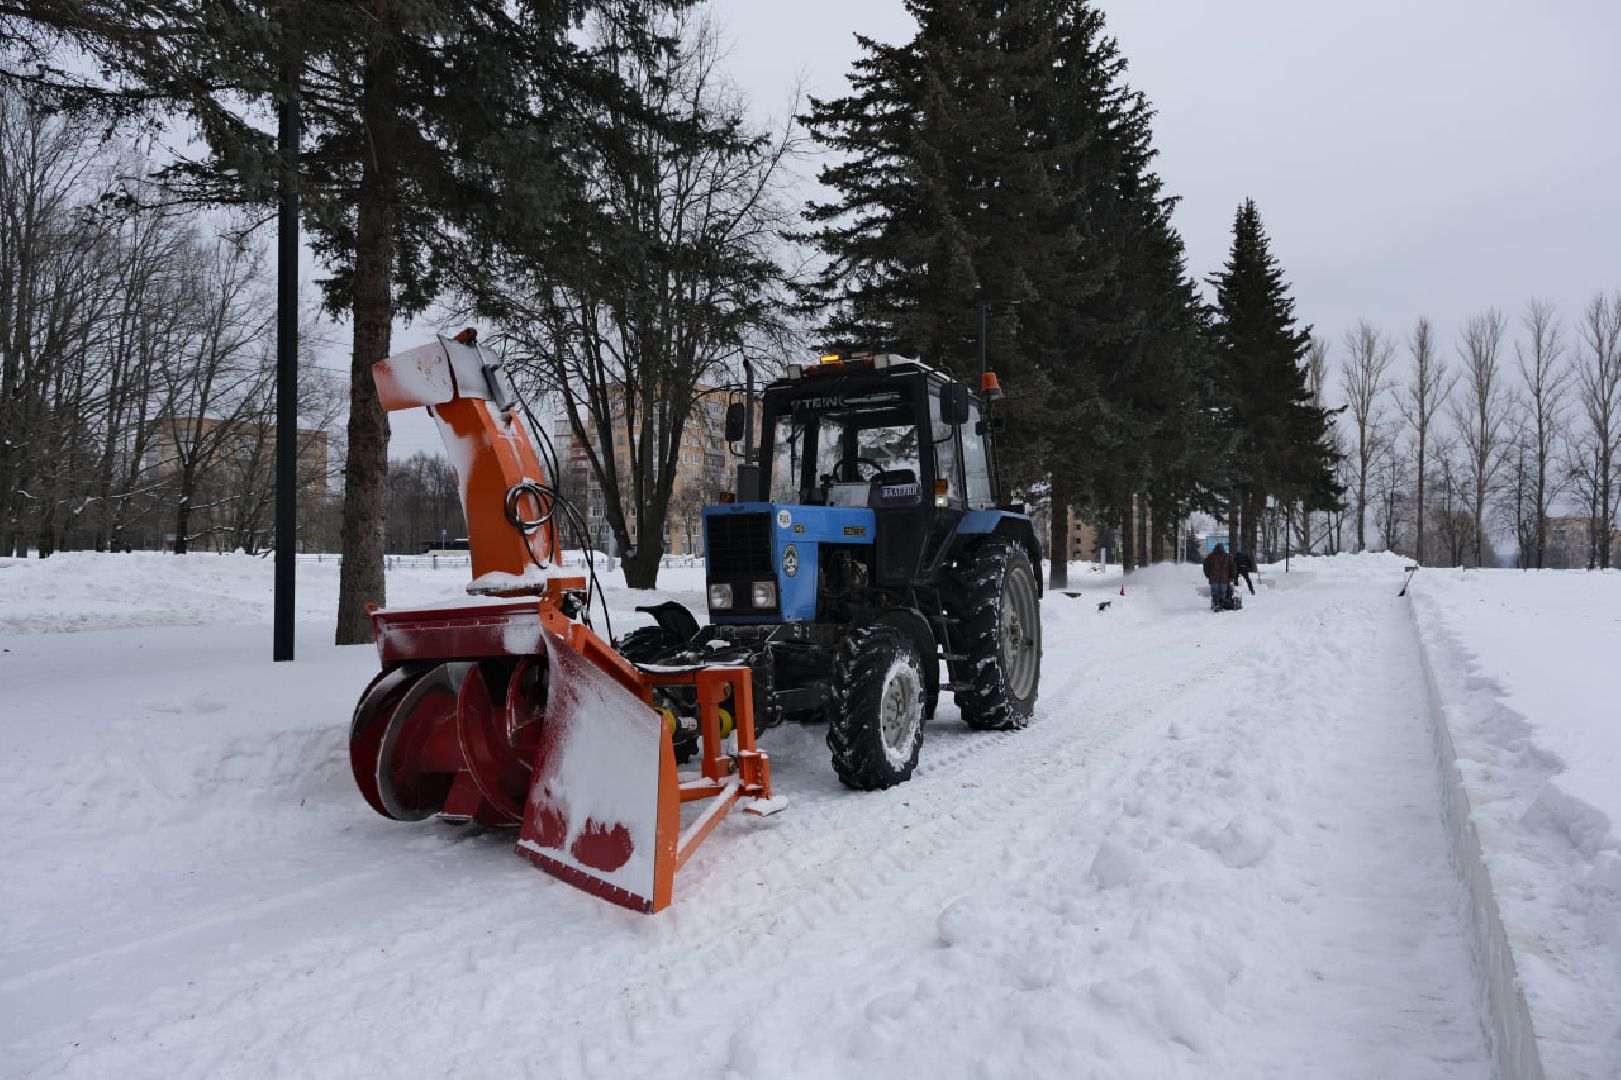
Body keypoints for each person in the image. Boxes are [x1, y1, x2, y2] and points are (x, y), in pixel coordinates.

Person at [1202, 543, 1236, 610]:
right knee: (1222, 593)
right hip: (1224, 579)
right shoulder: (1228, 556)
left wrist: (1208, 575)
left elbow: (1205, 566)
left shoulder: (1210, 556)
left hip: (1214, 579)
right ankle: (1221, 605)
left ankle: (1216, 605)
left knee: (1215, 593)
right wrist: (1232, 576)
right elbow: (1233, 567)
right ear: (1223, 548)